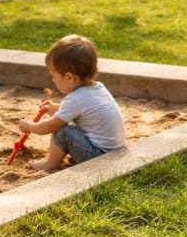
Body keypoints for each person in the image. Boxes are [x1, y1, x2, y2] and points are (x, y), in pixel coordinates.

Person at [21, 34, 126, 172]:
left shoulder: (75, 99)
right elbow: (79, 111)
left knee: (63, 130)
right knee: (64, 123)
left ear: (69, 77)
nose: (53, 80)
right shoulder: (98, 88)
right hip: (115, 152)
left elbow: (50, 126)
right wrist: (53, 108)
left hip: (99, 157)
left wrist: (30, 126)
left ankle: (50, 164)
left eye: (54, 76)